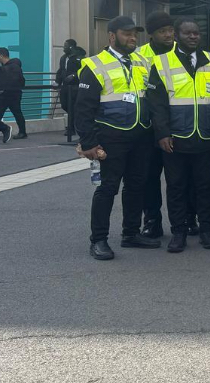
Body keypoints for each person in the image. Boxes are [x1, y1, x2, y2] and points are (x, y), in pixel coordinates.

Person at [75, 16, 160, 260]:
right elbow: (83, 109)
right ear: (112, 36)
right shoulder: (94, 64)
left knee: (136, 186)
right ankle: (98, 240)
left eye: (135, 33)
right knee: (107, 188)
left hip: (141, 135)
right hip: (111, 137)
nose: (133, 37)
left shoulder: (142, 61)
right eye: (126, 33)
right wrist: (89, 142)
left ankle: (131, 233)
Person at [147, 19, 210, 254]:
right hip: (175, 138)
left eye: (196, 33)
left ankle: (207, 230)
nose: (193, 36)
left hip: (204, 135)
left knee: (204, 185)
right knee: (176, 186)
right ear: (177, 36)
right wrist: (162, 133)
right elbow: (156, 103)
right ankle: (178, 232)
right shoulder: (161, 63)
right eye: (187, 33)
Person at [137, 11, 180, 239]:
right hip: (146, 128)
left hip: (177, 125)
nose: (169, 35)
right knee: (149, 177)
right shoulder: (139, 56)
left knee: (180, 178)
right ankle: (152, 221)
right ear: (151, 34)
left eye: (171, 30)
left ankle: (186, 219)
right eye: (163, 31)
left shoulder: (181, 53)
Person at [0, 47, 27, 139]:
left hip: (9, 93)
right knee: (11, 112)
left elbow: (12, 80)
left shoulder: (11, 67)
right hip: (12, 93)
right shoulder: (14, 66)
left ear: (1, 56)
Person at [55, 39, 78, 137]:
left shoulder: (79, 57)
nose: (64, 48)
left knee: (73, 107)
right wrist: (57, 82)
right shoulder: (63, 58)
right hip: (65, 86)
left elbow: (83, 70)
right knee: (65, 105)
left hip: (75, 87)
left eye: (65, 46)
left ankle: (71, 129)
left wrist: (74, 76)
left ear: (71, 47)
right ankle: (75, 120)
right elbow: (61, 70)